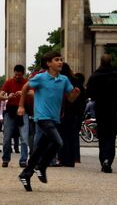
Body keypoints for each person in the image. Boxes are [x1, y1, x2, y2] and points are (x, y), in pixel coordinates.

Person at [17, 51, 81, 192]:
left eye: (61, 59)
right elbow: (25, 87)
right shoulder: (40, 77)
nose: (60, 62)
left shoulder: (64, 79)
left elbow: (70, 99)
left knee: (40, 147)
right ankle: (41, 167)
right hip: (42, 116)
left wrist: (75, 95)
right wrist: (21, 106)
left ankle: (26, 173)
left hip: (55, 118)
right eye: (57, 60)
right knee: (58, 142)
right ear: (48, 63)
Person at [86, 53, 117, 173]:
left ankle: (103, 158)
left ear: (101, 62)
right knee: (111, 135)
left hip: (100, 107)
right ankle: (108, 160)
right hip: (113, 107)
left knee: (103, 134)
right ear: (111, 62)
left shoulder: (95, 76)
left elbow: (89, 94)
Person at [0, 64, 29, 168]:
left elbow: (33, 93)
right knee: (7, 137)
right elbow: (0, 96)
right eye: (16, 75)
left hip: (23, 111)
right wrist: (8, 96)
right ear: (14, 73)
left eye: (19, 75)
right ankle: (6, 159)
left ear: (23, 74)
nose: (17, 77)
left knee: (24, 138)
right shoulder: (8, 82)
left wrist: (24, 92)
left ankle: (23, 160)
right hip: (10, 111)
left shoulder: (26, 83)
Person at [58, 63, 86, 167]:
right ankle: (72, 159)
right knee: (72, 136)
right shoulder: (76, 81)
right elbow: (82, 97)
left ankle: (62, 158)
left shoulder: (61, 80)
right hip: (75, 112)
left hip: (64, 110)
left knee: (62, 135)